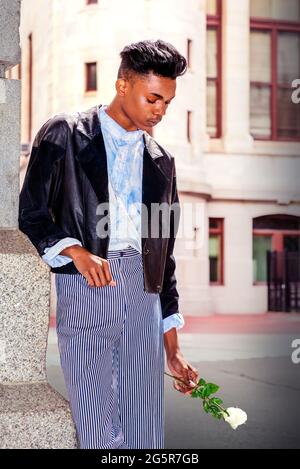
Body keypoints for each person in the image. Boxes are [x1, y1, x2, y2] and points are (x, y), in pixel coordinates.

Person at [19, 39, 199, 449]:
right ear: (122, 85)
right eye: (153, 98)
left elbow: (163, 257)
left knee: (143, 424)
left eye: (168, 103)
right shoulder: (64, 132)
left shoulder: (162, 161)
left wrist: (172, 347)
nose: (161, 111)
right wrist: (74, 250)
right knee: (97, 422)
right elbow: (31, 212)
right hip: (86, 282)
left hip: (144, 291)